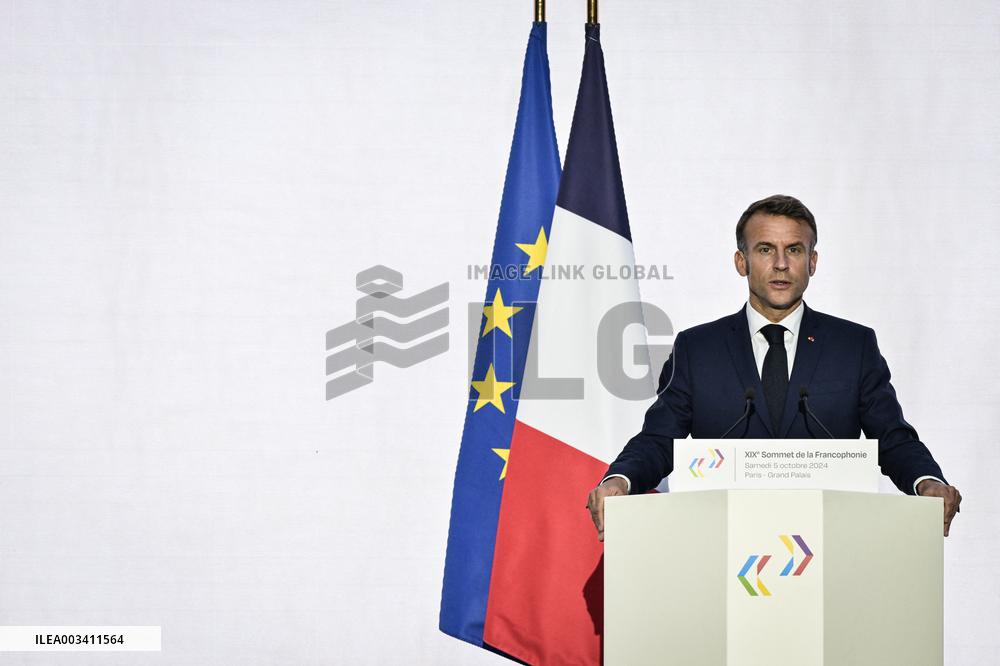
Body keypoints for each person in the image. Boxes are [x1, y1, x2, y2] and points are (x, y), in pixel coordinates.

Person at [586, 194, 962, 540]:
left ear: (812, 262)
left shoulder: (853, 346)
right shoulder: (698, 348)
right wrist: (621, 480)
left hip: (828, 545)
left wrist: (926, 482)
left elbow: (892, 439)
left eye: (794, 250)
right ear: (741, 261)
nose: (781, 264)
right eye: (765, 249)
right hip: (723, 545)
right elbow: (659, 440)